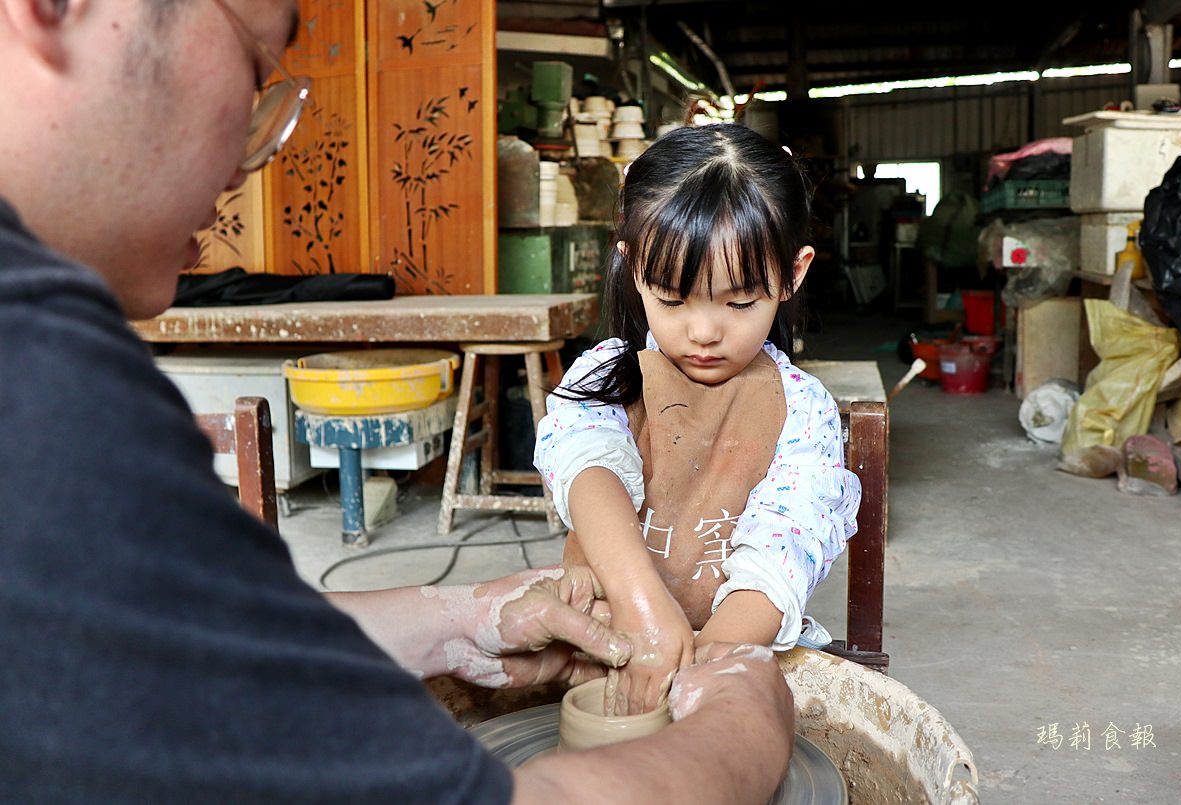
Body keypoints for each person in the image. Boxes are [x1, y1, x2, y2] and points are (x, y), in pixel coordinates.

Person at [0, 0, 795, 802]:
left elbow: (183, 641)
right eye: (252, 70)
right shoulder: (43, 395)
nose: (253, 157)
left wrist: (461, 615)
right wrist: (740, 727)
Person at [534, 124, 863, 715]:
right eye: (671, 298)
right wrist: (641, 607)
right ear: (633, 269)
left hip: (735, 639)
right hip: (606, 634)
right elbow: (588, 469)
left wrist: (705, 663)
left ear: (793, 273)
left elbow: (783, 544)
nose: (704, 332)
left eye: (739, 303)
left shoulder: (802, 409)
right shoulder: (608, 375)